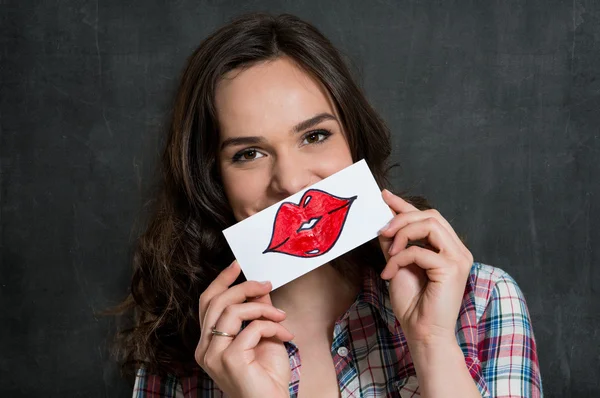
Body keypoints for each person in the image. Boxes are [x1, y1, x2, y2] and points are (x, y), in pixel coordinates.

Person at [111, 12, 543, 398]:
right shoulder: (183, 354)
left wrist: (432, 343)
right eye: (248, 154)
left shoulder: (483, 302)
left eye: (314, 136)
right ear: (212, 180)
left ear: (354, 142)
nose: (291, 181)